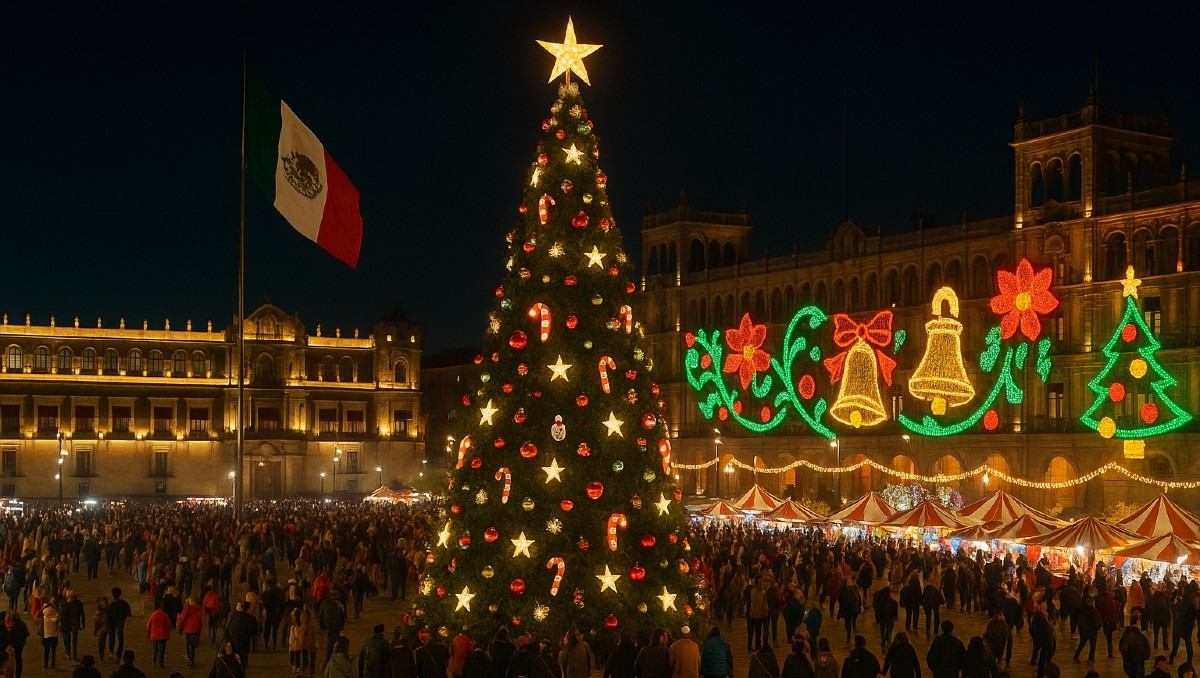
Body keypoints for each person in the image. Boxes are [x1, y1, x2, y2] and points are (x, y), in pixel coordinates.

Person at [177, 596, 204, 667]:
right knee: (192, 646)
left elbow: (182, 618)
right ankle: (191, 659)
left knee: (188, 644)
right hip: (196, 629)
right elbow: (202, 619)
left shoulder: (187, 609)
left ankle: (190, 659)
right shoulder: (199, 609)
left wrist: (180, 627)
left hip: (189, 629)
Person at [106, 587, 132, 660]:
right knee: (120, 637)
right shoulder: (124, 603)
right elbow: (129, 613)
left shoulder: (111, 605)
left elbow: (107, 614)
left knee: (112, 636)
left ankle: (111, 651)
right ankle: (119, 652)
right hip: (121, 621)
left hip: (112, 622)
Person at [60, 590, 85, 662]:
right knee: (69, 639)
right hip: (69, 624)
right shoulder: (77, 604)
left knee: (71, 640)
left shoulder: (64, 604)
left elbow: (82, 615)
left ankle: (71, 654)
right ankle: (71, 654)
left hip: (70, 624)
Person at [1172, 595, 1197, 665]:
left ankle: (1172, 657)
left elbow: (1175, 613)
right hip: (1187, 627)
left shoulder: (1180, 604)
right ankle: (1189, 660)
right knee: (1188, 644)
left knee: (1176, 644)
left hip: (1179, 626)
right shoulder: (1192, 606)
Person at [146, 602, 172, 668]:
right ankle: (160, 663)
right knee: (161, 650)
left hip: (154, 635)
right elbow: (169, 625)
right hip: (163, 635)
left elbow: (148, 625)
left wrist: (148, 634)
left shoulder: (153, 615)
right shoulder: (165, 615)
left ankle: (154, 661)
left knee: (155, 649)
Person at [875, 587, 899, 652]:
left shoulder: (880, 603)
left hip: (882, 619)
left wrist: (877, 619)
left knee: (882, 631)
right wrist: (895, 617)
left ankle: (883, 644)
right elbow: (895, 611)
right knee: (889, 632)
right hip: (890, 619)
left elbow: (877, 611)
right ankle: (888, 644)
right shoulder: (893, 602)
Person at [8, 611, 28, 678]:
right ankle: (18, 674)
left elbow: (12, 636)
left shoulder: (15, 627)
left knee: (16, 659)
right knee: (18, 659)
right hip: (20, 645)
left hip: (16, 645)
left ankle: (16, 674)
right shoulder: (22, 624)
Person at [41, 600, 59, 669]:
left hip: (46, 635)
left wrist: (47, 605)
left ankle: (45, 664)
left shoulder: (45, 617)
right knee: (53, 651)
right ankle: (53, 663)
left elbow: (41, 611)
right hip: (54, 635)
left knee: (46, 651)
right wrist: (53, 606)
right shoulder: (55, 618)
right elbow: (58, 612)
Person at [93, 597, 110, 662]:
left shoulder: (99, 612)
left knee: (101, 642)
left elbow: (96, 623)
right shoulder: (103, 611)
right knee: (102, 642)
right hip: (103, 628)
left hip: (102, 629)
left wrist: (95, 630)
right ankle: (101, 655)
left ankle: (101, 655)